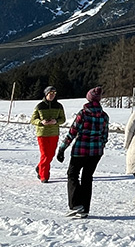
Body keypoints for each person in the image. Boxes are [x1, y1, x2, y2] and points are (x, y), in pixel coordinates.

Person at [56, 87, 109, 219]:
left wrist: (62, 148)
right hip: (96, 152)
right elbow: (105, 135)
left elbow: (72, 133)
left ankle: (75, 205)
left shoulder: (83, 113)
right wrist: (100, 145)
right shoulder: (104, 116)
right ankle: (85, 209)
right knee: (87, 178)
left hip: (81, 150)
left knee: (72, 174)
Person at [29, 86, 66, 183]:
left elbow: (63, 119)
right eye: (51, 93)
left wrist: (56, 121)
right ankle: (44, 176)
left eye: (54, 93)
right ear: (46, 94)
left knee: (51, 154)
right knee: (45, 154)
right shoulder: (39, 106)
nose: (52, 95)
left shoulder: (59, 106)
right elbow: (33, 120)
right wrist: (41, 122)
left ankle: (40, 167)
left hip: (54, 133)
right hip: (42, 134)